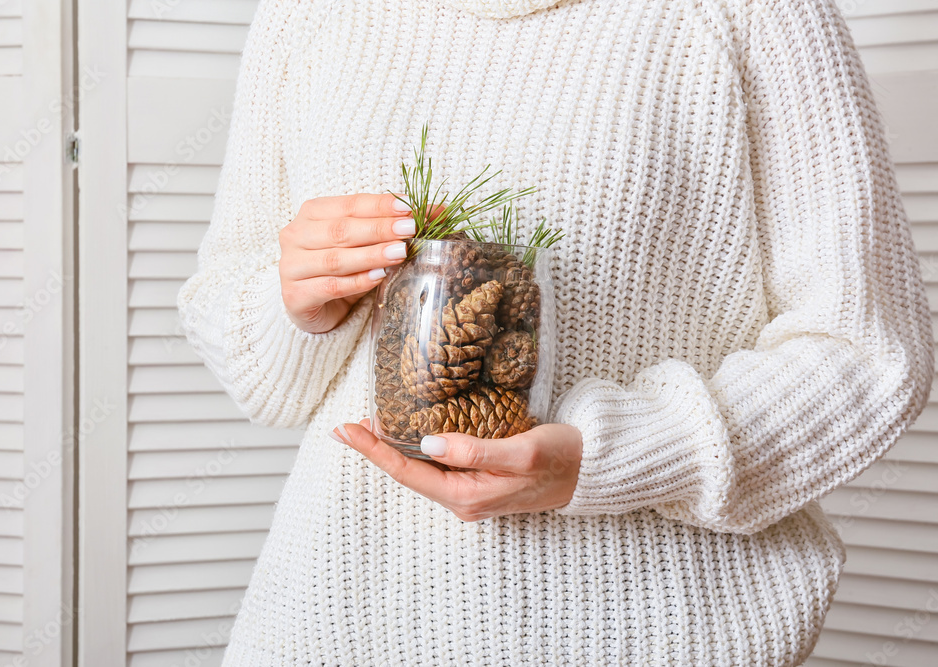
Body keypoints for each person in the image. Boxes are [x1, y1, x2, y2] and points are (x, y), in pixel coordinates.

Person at [176, 0, 934, 664]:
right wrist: (293, 303)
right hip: (331, 625)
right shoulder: (308, 15)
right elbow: (246, 352)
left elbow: (865, 352)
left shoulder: (749, 15)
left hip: (656, 635)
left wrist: (612, 456)